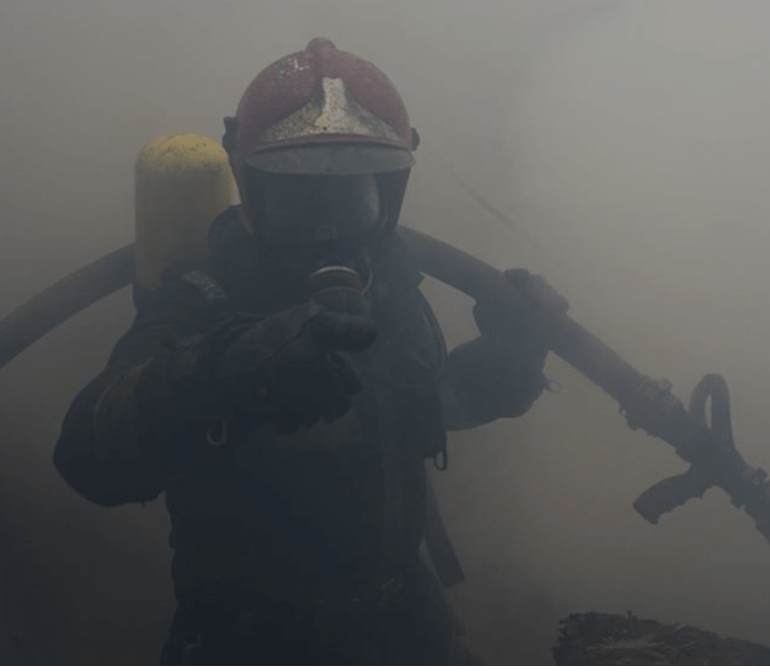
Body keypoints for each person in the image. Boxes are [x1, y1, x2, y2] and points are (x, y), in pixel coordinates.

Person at [53, 38, 568, 665]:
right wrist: (224, 374)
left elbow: (429, 404)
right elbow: (88, 455)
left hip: (404, 623)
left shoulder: (391, 287)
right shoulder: (202, 298)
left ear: (390, 192)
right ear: (251, 190)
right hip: (245, 640)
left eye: (353, 196)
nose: (329, 228)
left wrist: (512, 358)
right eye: (299, 198)